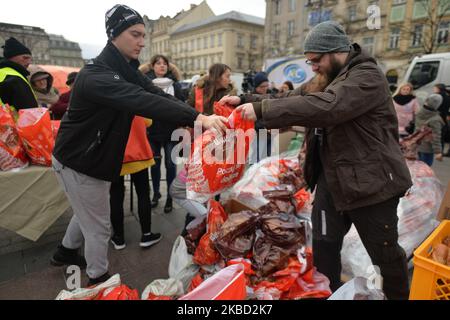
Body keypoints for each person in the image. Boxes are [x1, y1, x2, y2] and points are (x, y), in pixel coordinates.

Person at [227, 21, 412, 300]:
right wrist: (245, 100)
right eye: (309, 61)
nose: (312, 66)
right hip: (332, 181)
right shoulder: (327, 77)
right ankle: (331, 294)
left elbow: (330, 106)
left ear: (337, 52)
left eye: (316, 60)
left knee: (385, 254)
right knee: (325, 245)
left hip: (372, 185)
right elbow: (292, 97)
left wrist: (261, 109)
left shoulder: (366, 76)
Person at [49, 4, 227, 287]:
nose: (142, 42)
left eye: (144, 35)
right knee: (98, 226)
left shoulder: (123, 67)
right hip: (80, 162)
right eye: (135, 34)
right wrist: (197, 117)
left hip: (91, 158)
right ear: (114, 35)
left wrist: (195, 117)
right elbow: (141, 100)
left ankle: (65, 251)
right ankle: (100, 280)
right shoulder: (97, 74)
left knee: (86, 211)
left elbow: (153, 92)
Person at [140, 55, 184, 212]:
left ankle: (170, 197)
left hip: (171, 130)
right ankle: (156, 193)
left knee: (171, 164)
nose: (162, 66)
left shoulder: (175, 85)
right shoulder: (144, 83)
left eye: (164, 63)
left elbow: (181, 105)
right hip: (151, 130)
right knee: (155, 164)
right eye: (158, 63)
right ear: (152, 66)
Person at [110, 116, 160, 250]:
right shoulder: (137, 99)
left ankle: (119, 238)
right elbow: (149, 121)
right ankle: (146, 234)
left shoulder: (108, 99)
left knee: (115, 197)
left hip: (115, 156)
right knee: (143, 194)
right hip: (139, 155)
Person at [0, 37, 38, 110]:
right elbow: (29, 111)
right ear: (12, 57)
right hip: (14, 121)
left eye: (30, 59)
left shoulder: (3, 73)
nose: (28, 62)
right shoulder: (15, 78)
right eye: (25, 58)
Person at [414, 94, 445, 166]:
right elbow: (436, 136)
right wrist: (438, 152)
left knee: (417, 168)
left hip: (417, 145)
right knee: (425, 170)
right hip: (427, 148)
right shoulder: (435, 119)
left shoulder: (419, 113)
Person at [433, 83, 450, 156]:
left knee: (435, 134)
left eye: (434, 88)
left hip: (436, 117)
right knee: (442, 135)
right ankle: (441, 151)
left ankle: (434, 150)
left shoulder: (437, 96)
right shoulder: (448, 97)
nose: (433, 90)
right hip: (444, 117)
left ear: (438, 89)